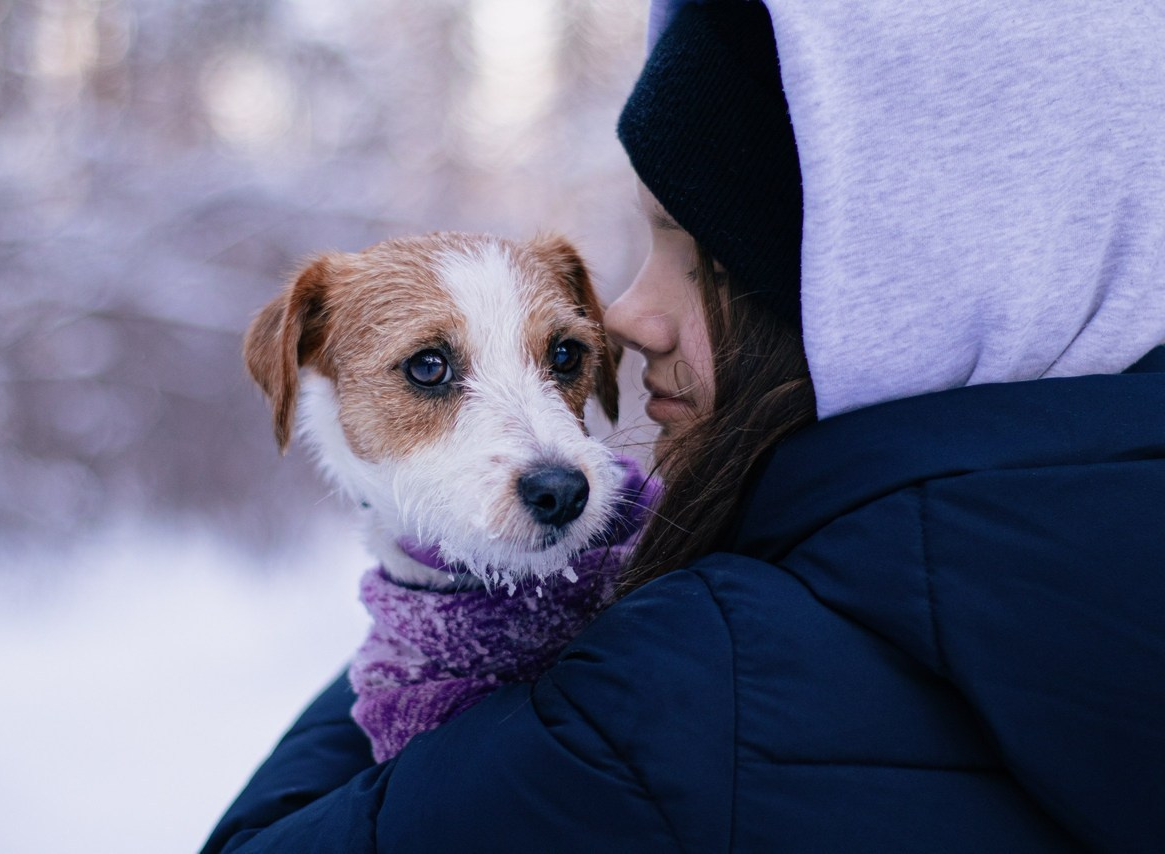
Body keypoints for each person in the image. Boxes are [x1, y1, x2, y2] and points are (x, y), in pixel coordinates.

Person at [201, 1, 1165, 850]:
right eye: (430, 369)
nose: (623, 317)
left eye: (694, 251)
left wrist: (427, 607)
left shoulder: (666, 686)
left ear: (874, 293)